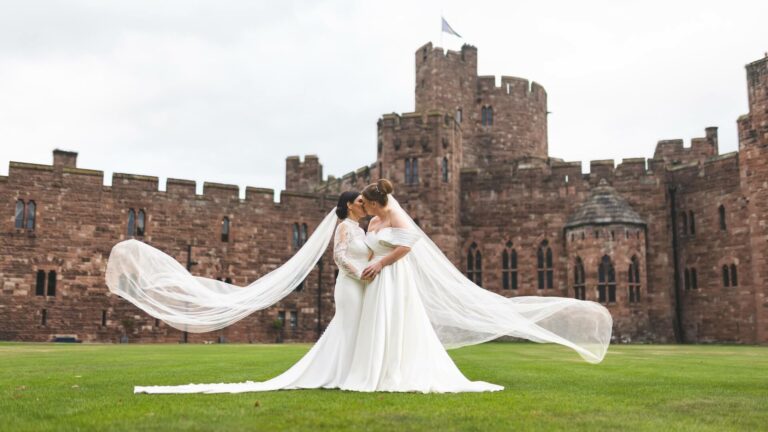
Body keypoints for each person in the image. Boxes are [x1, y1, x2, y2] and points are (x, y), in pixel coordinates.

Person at [120, 192, 372, 394]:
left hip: (359, 284)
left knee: (353, 328)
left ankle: (350, 372)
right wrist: (360, 272)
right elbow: (338, 257)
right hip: (349, 284)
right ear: (349, 205)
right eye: (360, 201)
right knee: (346, 327)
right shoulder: (343, 228)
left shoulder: (361, 229)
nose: (365, 204)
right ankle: (341, 374)